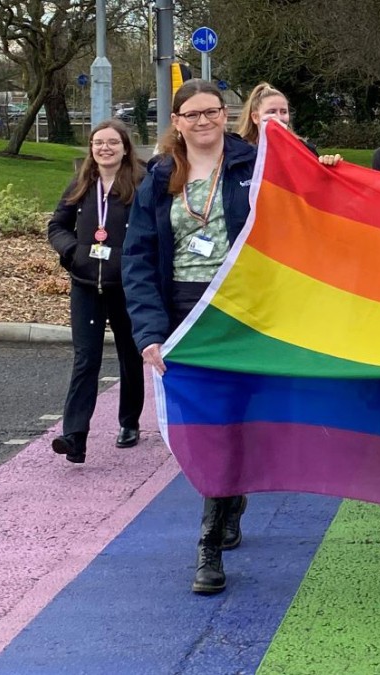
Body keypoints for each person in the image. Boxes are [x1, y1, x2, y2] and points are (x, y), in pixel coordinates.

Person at [123, 79, 255, 596]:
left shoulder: (254, 165)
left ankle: (221, 517)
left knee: (231, 421)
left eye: (213, 112)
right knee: (203, 426)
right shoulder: (158, 178)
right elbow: (136, 259)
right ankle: (212, 532)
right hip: (182, 310)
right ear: (176, 122)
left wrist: (328, 170)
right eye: (192, 114)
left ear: (226, 115)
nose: (204, 122)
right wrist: (149, 333)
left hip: (240, 313)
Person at [47, 119, 146, 464]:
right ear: (91, 149)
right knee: (85, 359)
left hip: (127, 286)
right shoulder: (82, 183)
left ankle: (129, 421)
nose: (105, 148)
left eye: (112, 143)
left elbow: (154, 231)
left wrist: (132, 261)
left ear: (125, 147)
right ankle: (74, 437)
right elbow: (57, 225)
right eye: (98, 143)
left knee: (130, 355)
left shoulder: (140, 181)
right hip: (87, 284)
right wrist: (72, 251)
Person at [237, 82, 342, 163]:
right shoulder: (240, 152)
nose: (278, 117)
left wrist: (329, 165)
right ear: (255, 117)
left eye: (283, 112)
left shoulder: (304, 150)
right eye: (271, 111)